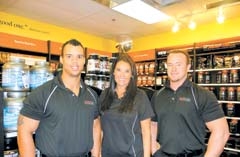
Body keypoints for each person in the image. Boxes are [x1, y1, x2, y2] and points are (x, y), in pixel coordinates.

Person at [17, 39, 101, 157]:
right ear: (61, 59)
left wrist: (96, 154)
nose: (75, 61)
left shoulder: (92, 95)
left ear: (84, 60)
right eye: (69, 56)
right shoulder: (43, 93)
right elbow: (24, 130)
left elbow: (95, 125)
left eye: (79, 56)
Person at [151, 50, 229, 157]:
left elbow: (221, 132)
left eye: (178, 64)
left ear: (188, 67)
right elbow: (152, 124)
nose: (174, 69)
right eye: (170, 65)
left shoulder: (203, 95)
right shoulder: (157, 95)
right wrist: (154, 149)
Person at [99, 53, 154, 157]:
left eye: (127, 71)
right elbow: (101, 129)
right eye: (119, 70)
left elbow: (146, 131)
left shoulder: (140, 96)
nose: (122, 75)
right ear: (113, 72)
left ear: (132, 75)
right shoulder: (104, 95)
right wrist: (99, 153)